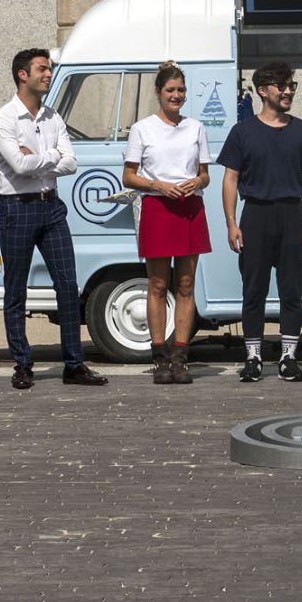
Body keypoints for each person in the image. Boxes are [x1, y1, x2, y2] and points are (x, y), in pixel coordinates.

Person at [0, 48, 108, 390]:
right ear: (22, 75)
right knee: (16, 289)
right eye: (42, 68)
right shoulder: (4, 119)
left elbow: (71, 164)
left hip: (51, 206)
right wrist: (50, 157)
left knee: (68, 285)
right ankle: (22, 364)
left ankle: (74, 363)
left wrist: (42, 156)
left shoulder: (53, 118)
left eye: (49, 68)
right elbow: (18, 166)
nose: (48, 73)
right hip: (17, 207)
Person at [217, 61, 302, 384]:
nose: (289, 90)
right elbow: (230, 178)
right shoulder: (243, 131)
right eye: (282, 85)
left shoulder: (301, 130)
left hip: (293, 214)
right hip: (256, 215)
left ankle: (289, 357)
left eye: (292, 85)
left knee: (292, 288)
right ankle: (253, 357)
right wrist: (231, 223)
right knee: (254, 290)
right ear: (263, 91)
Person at [123, 61, 211, 385]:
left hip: (189, 207)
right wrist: (159, 185)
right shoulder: (142, 129)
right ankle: (159, 356)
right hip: (158, 207)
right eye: (171, 90)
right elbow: (129, 176)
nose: (176, 96)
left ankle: (181, 357)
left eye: (181, 90)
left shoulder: (196, 128)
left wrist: (197, 182)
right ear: (159, 93)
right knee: (158, 285)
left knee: (185, 285)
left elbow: (205, 174)